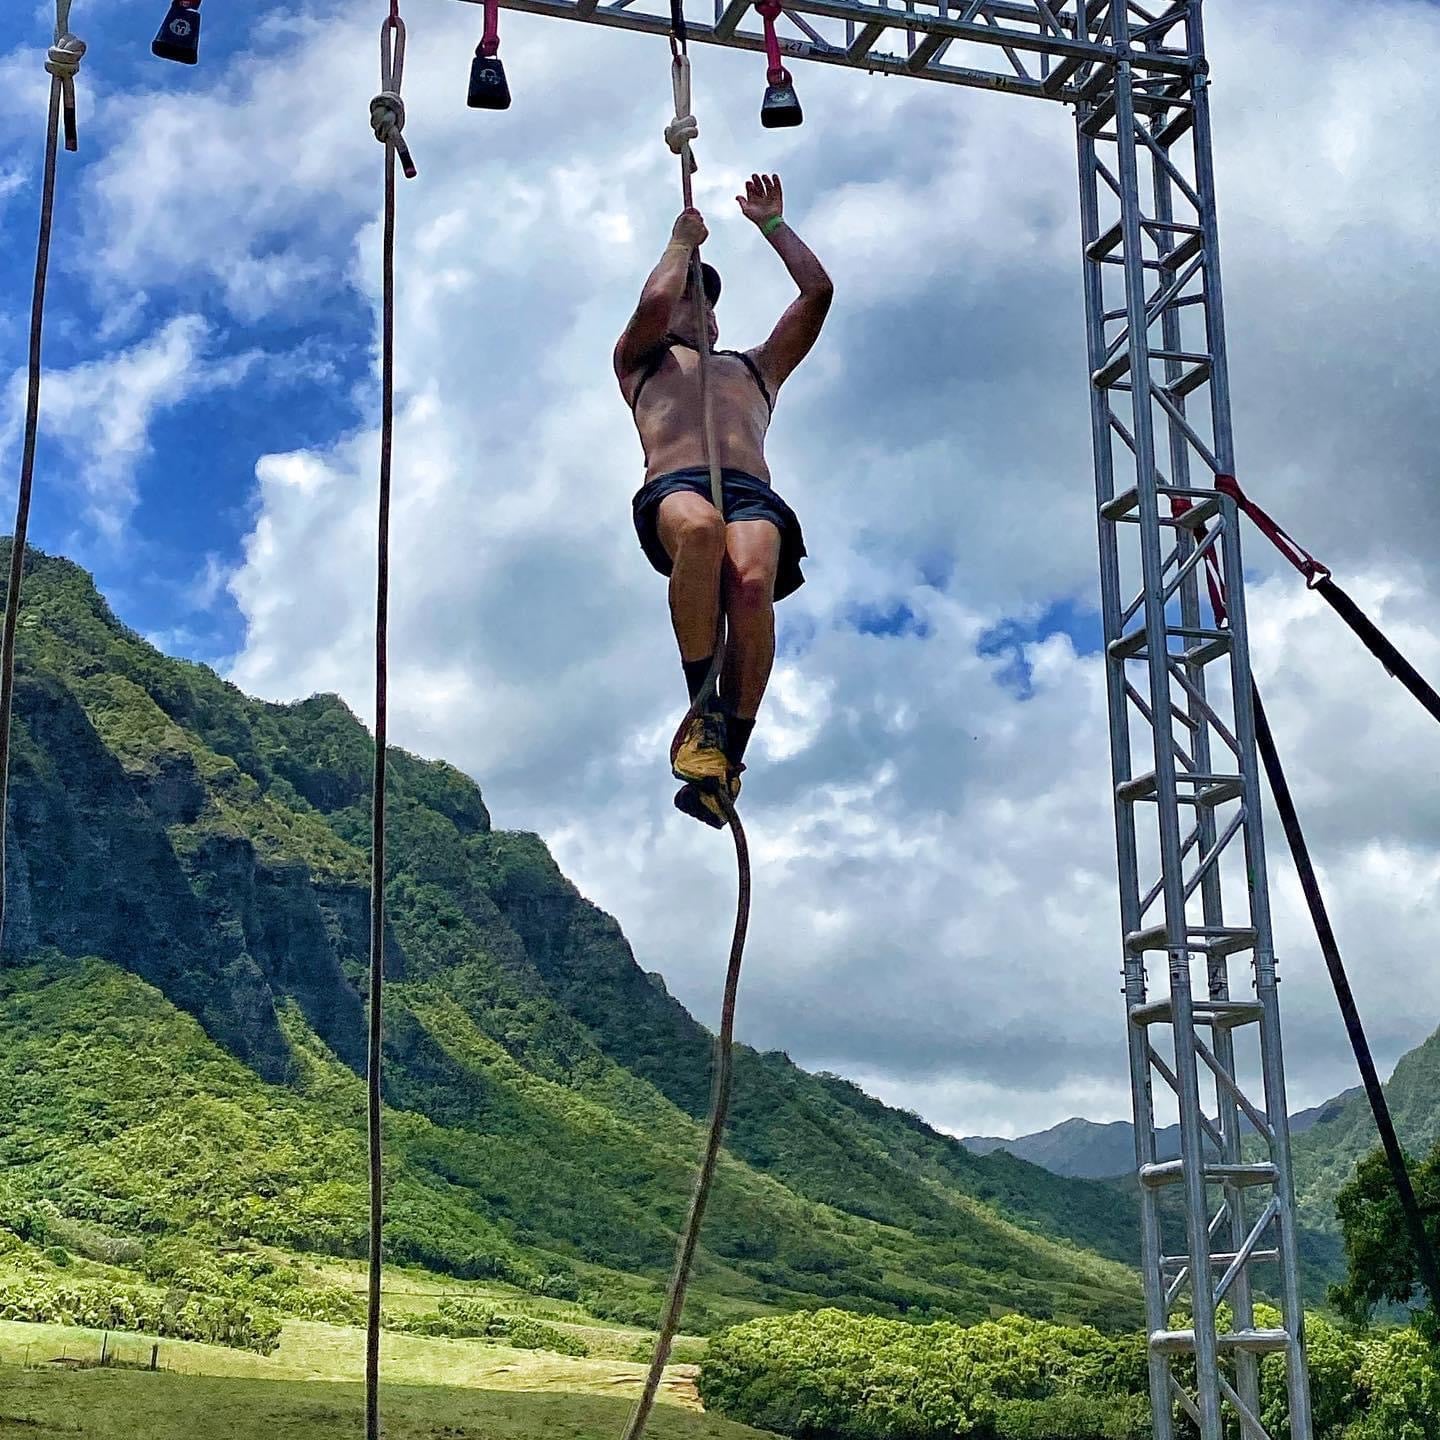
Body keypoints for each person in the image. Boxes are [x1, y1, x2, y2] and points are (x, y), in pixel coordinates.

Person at [615, 173, 834, 826]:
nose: (699, 311)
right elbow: (652, 305)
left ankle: (728, 752)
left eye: (706, 304)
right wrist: (678, 245)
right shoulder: (641, 362)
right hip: (677, 487)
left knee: (750, 582)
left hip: (752, 494)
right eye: (690, 302)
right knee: (702, 531)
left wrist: (771, 225)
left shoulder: (754, 369)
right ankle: (702, 713)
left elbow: (817, 294)